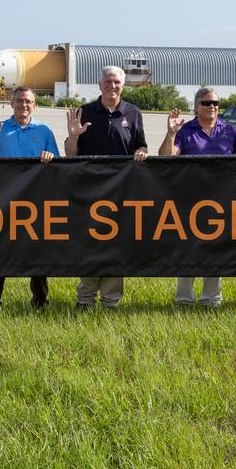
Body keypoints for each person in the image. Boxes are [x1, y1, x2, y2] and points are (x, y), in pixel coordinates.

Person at [64, 65, 149, 308]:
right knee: (91, 243)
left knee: (115, 245)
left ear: (123, 86)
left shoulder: (133, 113)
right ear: (100, 85)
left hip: (121, 192)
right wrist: (74, 136)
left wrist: (141, 152)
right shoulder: (85, 111)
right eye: (108, 82)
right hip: (90, 191)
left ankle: (111, 300)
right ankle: (85, 299)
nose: (112, 86)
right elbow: (71, 155)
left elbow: (141, 146)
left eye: (117, 82)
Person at [159, 87, 236, 307]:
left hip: (220, 200)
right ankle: (184, 299)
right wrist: (171, 133)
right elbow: (166, 157)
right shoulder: (185, 130)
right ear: (196, 106)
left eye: (216, 103)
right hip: (189, 199)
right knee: (188, 248)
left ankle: (211, 299)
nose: (212, 107)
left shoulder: (229, 131)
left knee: (215, 249)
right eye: (207, 103)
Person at [0, 86, 58, 309]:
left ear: (34, 105)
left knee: (36, 251)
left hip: (35, 200)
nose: (23, 105)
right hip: (4, 200)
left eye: (28, 101)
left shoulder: (44, 130)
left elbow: (55, 161)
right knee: (0, 251)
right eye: (19, 101)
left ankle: (40, 300)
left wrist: (49, 155)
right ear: (11, 103)